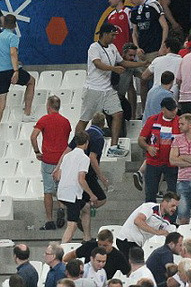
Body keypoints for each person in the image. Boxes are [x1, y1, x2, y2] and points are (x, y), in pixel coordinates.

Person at [76, 23, 129, 157]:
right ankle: (77, 146)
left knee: (118, 113)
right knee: (85, 119)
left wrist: (143, 64)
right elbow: (97, 64)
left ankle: (113, 146)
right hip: (93, 88)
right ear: (104, 34)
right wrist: (113, 69)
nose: (114, 38)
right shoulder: (94, 47)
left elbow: (122, 62)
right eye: (112, 35)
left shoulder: (113, 48)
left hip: (107, 89)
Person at [0, 14, 35, 137]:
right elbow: (12, 53)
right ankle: (27, 113)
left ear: (3, 24)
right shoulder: (12, 37)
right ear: (15, 25)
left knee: (0, 104)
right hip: (9, 70)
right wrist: (16, 71)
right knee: (31, 81)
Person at [31, 95, 71, 231]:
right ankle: (61, 207)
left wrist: (37, 152)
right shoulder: (66, 121)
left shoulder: (44, 120)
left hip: (48, 159)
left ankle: (49, 220)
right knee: (61, 188)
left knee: (48, 190)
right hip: (63, 160)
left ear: (48, 105)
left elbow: (33, 136)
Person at [57, 131, 101, 244]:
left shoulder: (67, 156)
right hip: (73, 194)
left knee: (86, 208)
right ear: (86, 143)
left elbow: (59, 175)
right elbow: (81, 179)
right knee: (72, 224)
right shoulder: (84, 158)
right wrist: (91, 195)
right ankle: (61, 249)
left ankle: (87, 237)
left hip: (62, 192)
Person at [138, 97, 180, 203]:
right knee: (150, 193)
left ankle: (171, 219)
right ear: (163, 109)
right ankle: (150, 215)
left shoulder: (180, 122)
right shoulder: (152, 120)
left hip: (172, 163)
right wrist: (148, 147)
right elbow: (141, 139)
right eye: (170, 110)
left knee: (173, 193)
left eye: (175, 109)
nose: (173, 112)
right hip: (154, 162)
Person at [115, 194, 180, 257]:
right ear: (165, 202)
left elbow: (169, 234)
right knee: (137, 265)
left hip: (137, 244)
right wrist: (157, 232)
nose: (174, 208)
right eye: (173, 205)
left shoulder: (166, 220)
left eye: (176, 206)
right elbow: (138, 221)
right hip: (127, 240)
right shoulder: (150, 207)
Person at [63, 229, 130, 284]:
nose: (102, 247)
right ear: (92, 258)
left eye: (105, 245)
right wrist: (63, 263)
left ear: (111, 243)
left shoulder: (118, 256)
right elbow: (73, 254)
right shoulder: (89, 246)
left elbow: (128, 272)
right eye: (99, 244)